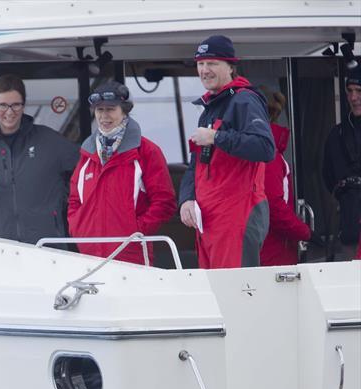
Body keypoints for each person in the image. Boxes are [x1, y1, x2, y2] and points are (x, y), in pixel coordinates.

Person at [179, 35, 275, 268]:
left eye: (212, 63)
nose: (204, 70)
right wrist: (186, 198)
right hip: (210, 220)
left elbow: (265, 148)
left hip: (237, 216)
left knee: (238, 295)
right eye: (200, 64)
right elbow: (196, 163)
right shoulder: (210, 107)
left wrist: (216, 137)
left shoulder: (245, 100)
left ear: (231, 67)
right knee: (216, 294)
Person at [68, 80, 176, 264]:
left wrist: (135, 230)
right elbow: (74, 200)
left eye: (111, 109)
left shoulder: (146, 151)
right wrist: (79, 229)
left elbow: (164, 202)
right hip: (88, 257)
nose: (104, 116)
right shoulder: (88, 153)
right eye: (99, 110)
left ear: (124, 110)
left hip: (132, 257)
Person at [0, 74, 80, 244]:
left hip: (47, 244)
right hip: (0, 246)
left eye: (16, 105)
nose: (10, 112)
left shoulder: (49, 141)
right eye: (3, 105)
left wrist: (62, 200)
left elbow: (84, 172)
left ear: (24, 105)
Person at [260, 91, 312, 266]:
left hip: (268, 248)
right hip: (273, 252)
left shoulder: (265, 152)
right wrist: (304, 231)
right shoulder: (269, 156)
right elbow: (274, 208)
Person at [322, 64, 361, 260]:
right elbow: (328, 176)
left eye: (359, 91)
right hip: (349, 225)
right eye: (350, 91)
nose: (353, 97)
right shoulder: (336, 134)